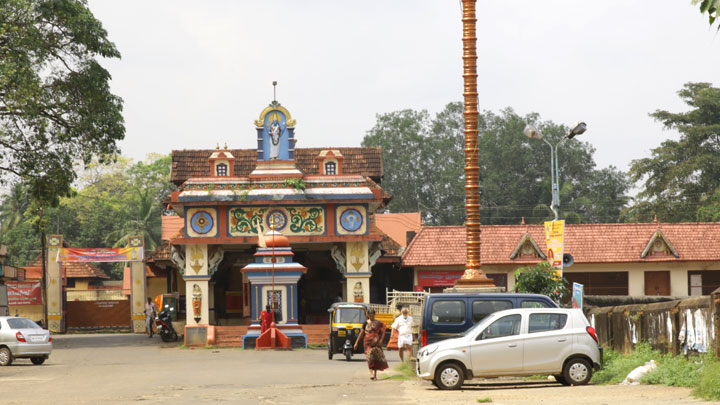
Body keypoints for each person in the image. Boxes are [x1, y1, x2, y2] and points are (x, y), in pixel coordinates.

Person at [354, 309, 388, 380]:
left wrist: (381, 340)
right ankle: (371, 374)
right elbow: (361, 333)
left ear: (374, 315)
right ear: (368, 315)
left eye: (372, 315)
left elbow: (383, 331)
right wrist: (356, 343)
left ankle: (375, 375)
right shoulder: (365, 323)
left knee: (375, 358)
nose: (371, 317)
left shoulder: (378, 323)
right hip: (367, 343)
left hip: (376, 343)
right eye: (370, 315)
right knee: (369, 358)